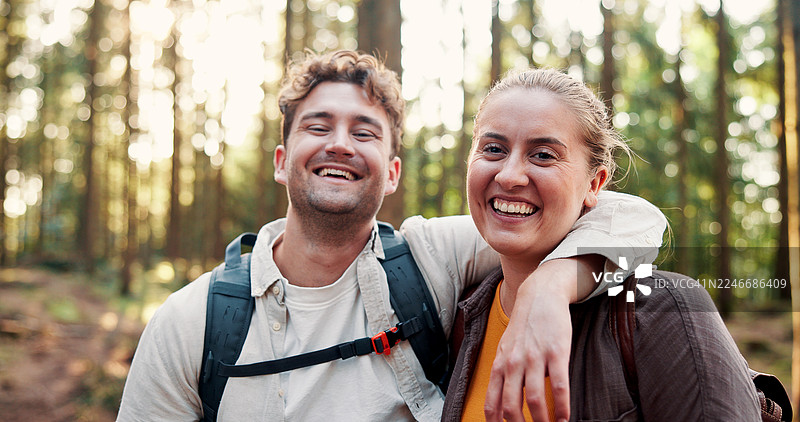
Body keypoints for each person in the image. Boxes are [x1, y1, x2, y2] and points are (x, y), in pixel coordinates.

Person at [116, 51, 666, 421]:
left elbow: (635, 217)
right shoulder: (190, 322)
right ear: (282, 161)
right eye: (318, 126)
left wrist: (551, 286)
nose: (339, 144)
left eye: (364, 133)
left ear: (393, 172)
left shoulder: (432, 257)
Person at [441, 68, 760, 421]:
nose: (510, 175)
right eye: (493, 149)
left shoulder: (663, 311)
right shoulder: (461, 317)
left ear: (594, 184)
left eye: (543, 155)